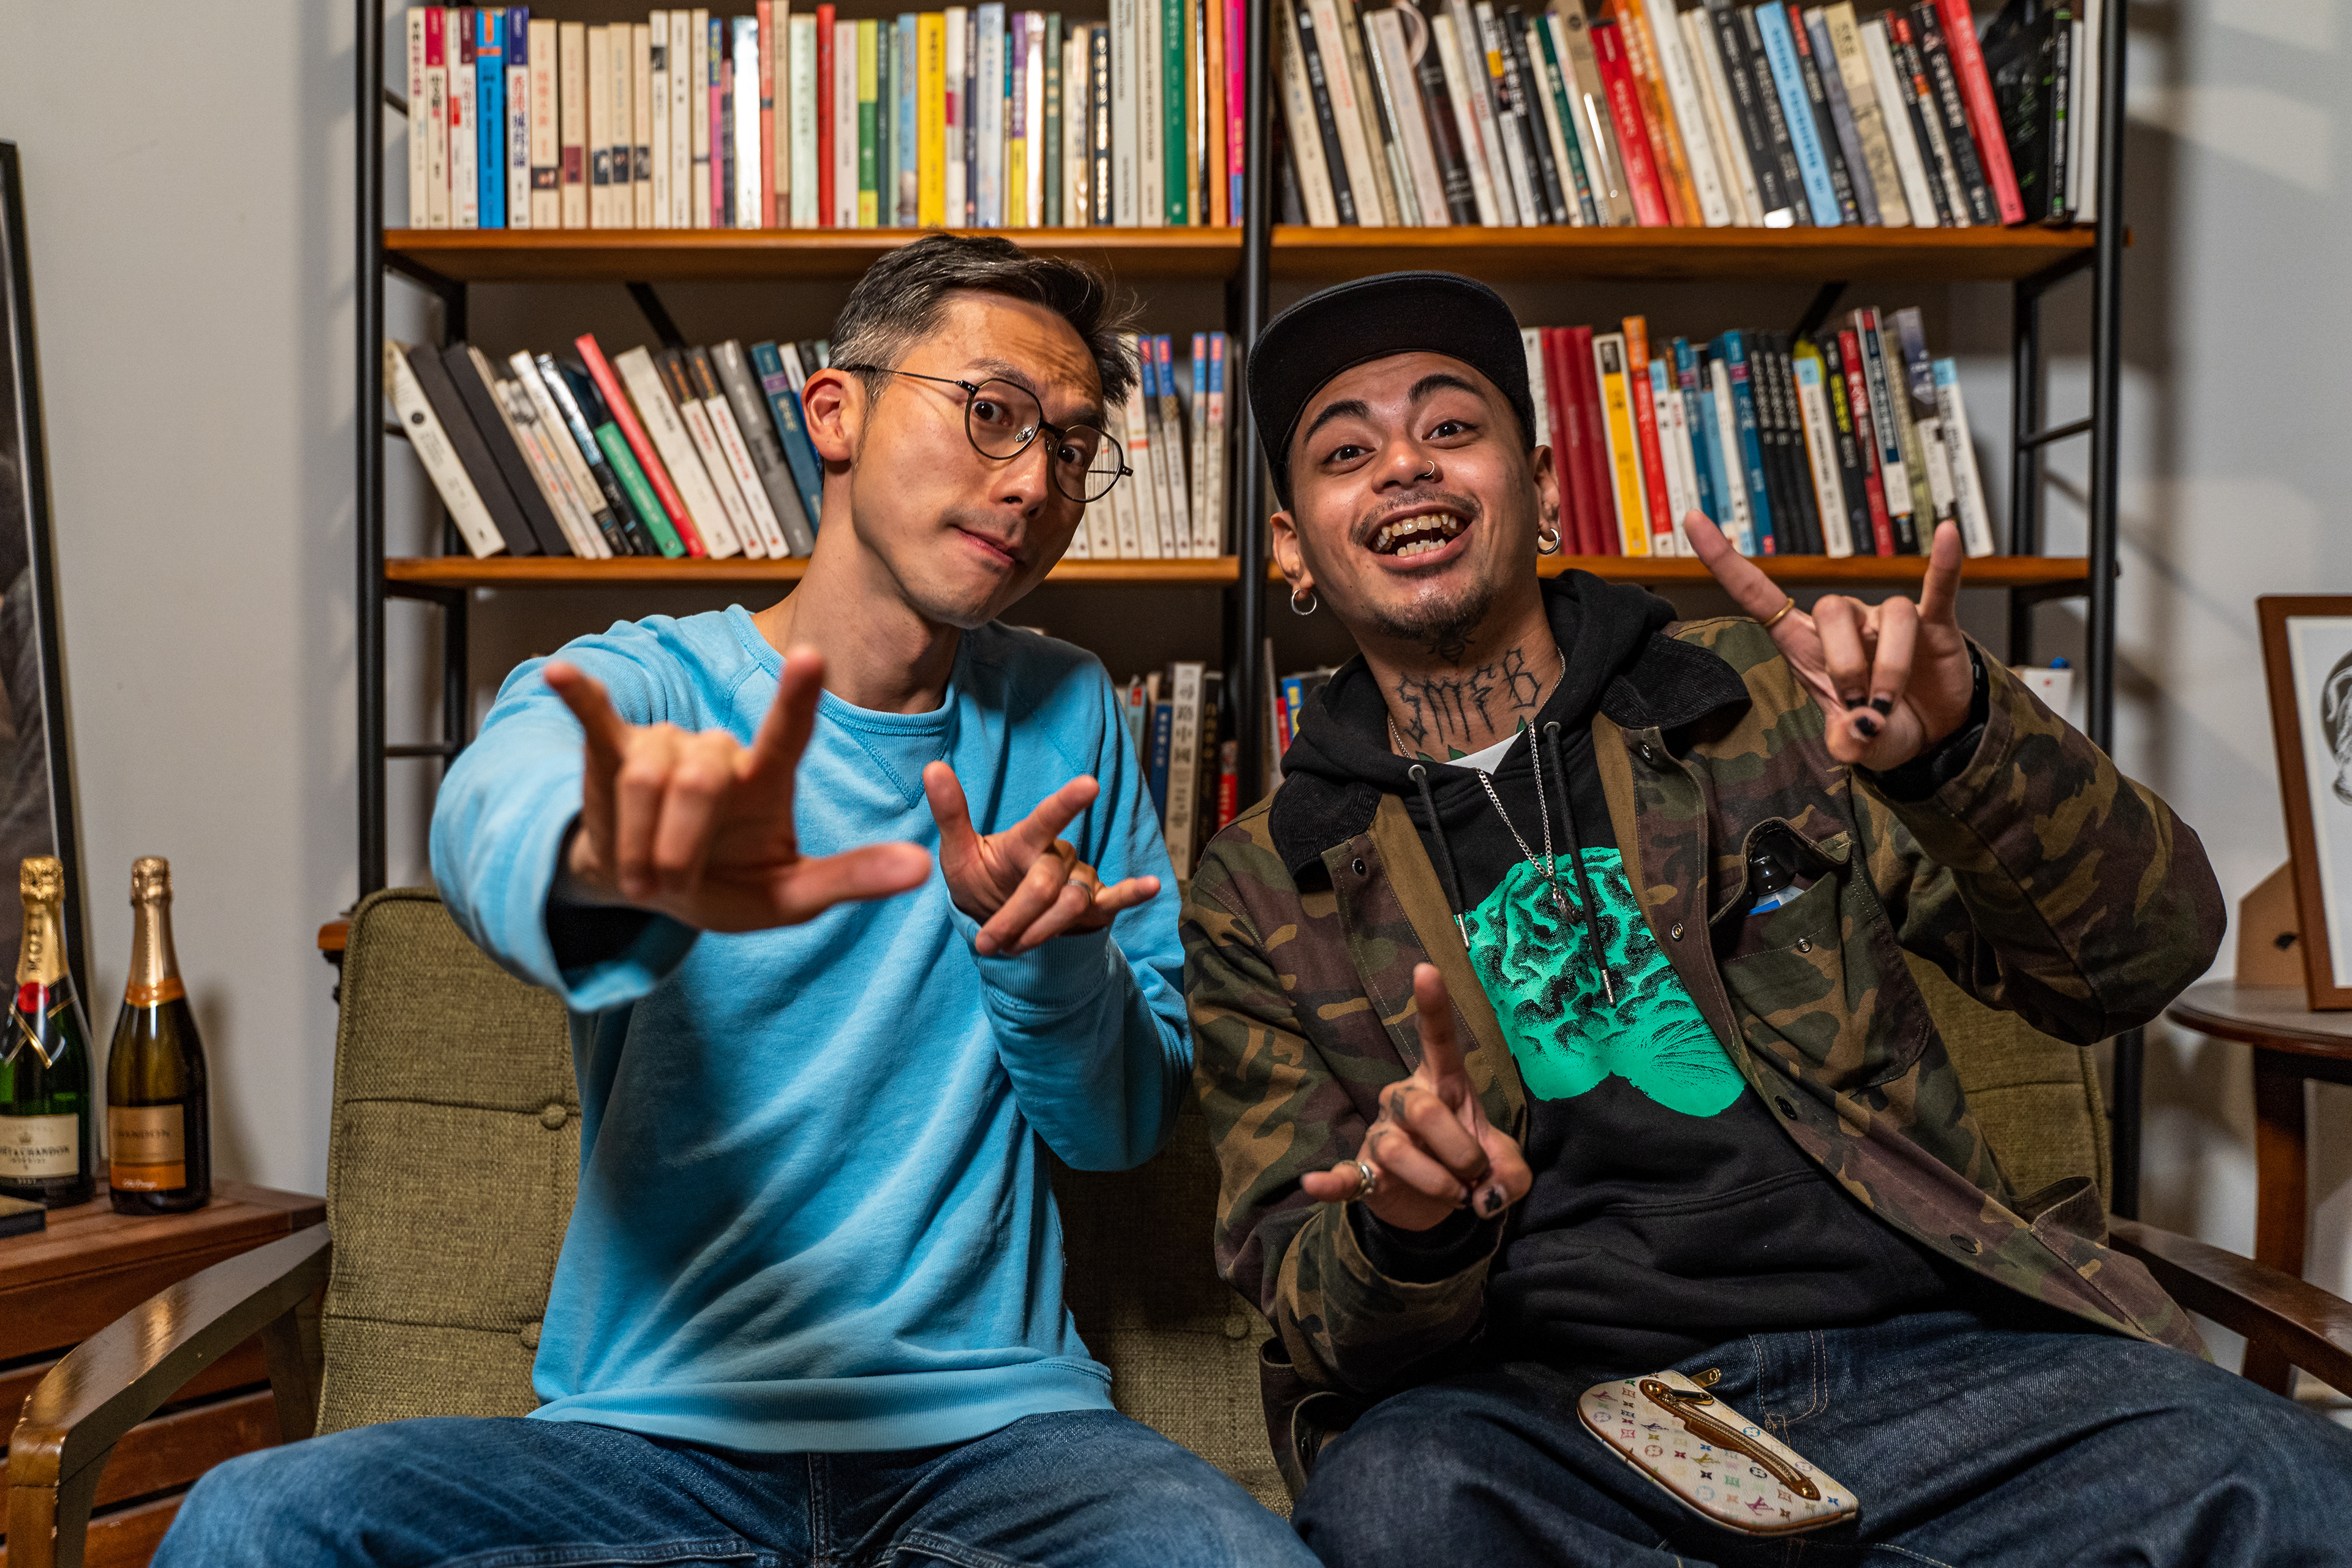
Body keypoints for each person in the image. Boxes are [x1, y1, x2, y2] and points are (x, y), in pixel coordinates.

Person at [158, 234, 1311, 1567]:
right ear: (835, 412)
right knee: (252, 1521)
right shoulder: (649, 684)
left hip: (1000, 1435)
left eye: (1071, 446)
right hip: (646, 1447)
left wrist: (1046, 967)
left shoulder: (1071, 716)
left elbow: (1117, 1131)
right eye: (992, 413)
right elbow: (493, 809)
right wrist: (605, 867)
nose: (1033, 481)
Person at [1182, 271, 2352, 1567]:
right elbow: (1316, 1315)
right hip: (1557, 1415)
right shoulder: (1262, 883)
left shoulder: (1778, 702)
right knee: (1399, 1503)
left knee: (2294, 1482)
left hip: (1934, 1367)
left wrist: (1963, 747)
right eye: (1347, 452)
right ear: (1293, 546)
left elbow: (2143, 955)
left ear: (1548, 486)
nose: (1406, 465)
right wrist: (1407, 1227)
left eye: (1451, 427)